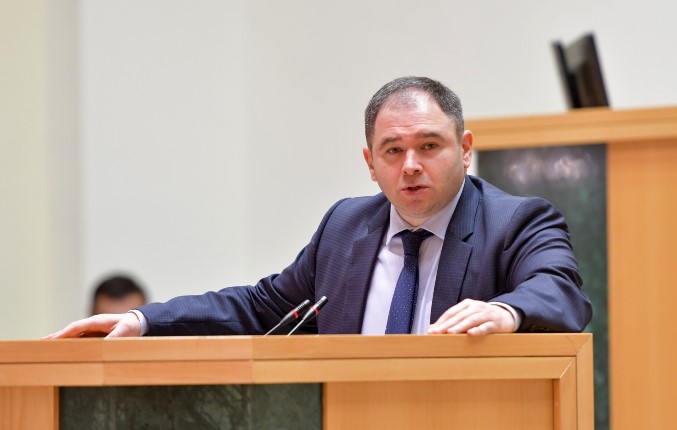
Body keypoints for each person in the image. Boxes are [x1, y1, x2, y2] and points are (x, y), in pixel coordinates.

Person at [47, 76, 592, 339]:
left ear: (465, 149)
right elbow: (260, 308)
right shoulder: (345, 226)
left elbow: (561, 291)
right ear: (370, 162)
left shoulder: (517, 221)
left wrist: (506, 312)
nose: (410, 166)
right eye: (393, 151)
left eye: (429, 146)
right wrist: (143, 320)